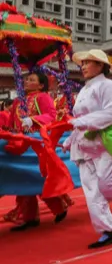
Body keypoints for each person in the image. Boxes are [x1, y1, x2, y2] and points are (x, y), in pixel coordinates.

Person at [65, 49, 112, 248]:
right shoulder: (83, 91)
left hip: (106, 142)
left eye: (89, 62)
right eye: (83, 63)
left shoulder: (110, 86)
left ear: (100, 66)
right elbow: (79, 121)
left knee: (107, 184)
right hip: (85, 146)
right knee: (91, 190)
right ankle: (109, 229)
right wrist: (70, 139)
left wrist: (83, 122)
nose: (84, 66)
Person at [5, 72, 73, 231]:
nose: (27, 82)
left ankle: (59, 207)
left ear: (41, 85)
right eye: (26, 79)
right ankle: (30, 218)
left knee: (38, 177)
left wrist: (33, 120)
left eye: (31, 79)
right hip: (19, 143)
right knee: (23, 180)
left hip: (35, 143)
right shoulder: (17, 101)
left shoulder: (42, 97)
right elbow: (10, 123)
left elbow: (51, 116)